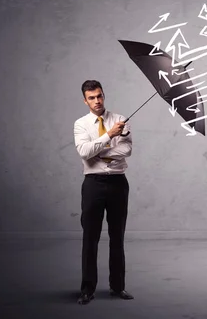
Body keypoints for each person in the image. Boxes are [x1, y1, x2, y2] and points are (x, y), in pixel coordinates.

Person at [73, 80, 134, 305]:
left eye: (99, 96)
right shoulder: (81, 124)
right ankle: (87, 289)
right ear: (85, 100)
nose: (97, 101)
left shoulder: (120, 119)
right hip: (93, 184)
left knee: (117, 237)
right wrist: (109, 136)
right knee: (90, 238)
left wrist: (99, 150)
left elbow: (127, 150)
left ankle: (118, 287)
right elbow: (84, 152)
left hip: (118, 183)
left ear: (103, 95)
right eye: (91, 97)